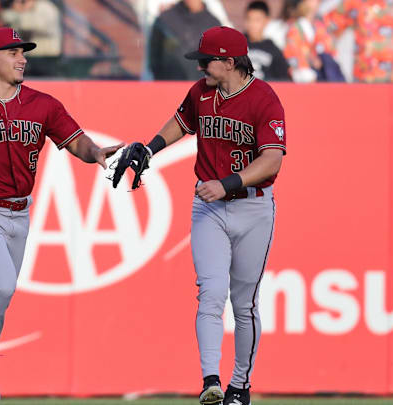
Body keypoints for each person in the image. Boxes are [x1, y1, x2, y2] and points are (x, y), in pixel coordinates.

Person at [0, 27, 123, 405]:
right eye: (13, 52)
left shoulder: (42, 103)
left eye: (23, 52)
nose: (23, 58)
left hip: (19, 213)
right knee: (2, 284)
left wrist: (93, 152)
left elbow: (73, 139)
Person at [115, 26, 285, 405]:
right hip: (209, 206)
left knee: (245, 304)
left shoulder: (263, 99)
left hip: (253, 206)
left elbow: (272, 159)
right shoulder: (201, 93)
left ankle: (239, 387)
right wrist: (152, 147)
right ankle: (211, 379)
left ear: (229, 61)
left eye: (207, 61)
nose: (201, 67)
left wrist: (227, 182)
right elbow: (182, 122)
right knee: (210, 293)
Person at [148, 0, 222, 80]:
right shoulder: (165, 20)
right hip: (170, 86)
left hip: (201, 87)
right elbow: (154, 59)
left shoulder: (214, 24)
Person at [283, 0, 342, 82]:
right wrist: (311, 60)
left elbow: (330, 49)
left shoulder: (320, 25)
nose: (318, 2)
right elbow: (292, 54)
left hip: (324, 75)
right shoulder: (295, 28)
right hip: (305, 77)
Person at [244, 1, 291, 81]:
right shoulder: (236, 45)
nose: (252, 24)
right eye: (249, 19)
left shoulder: (274, 50)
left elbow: (284, 82)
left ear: (266, 21)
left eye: (257, 20)